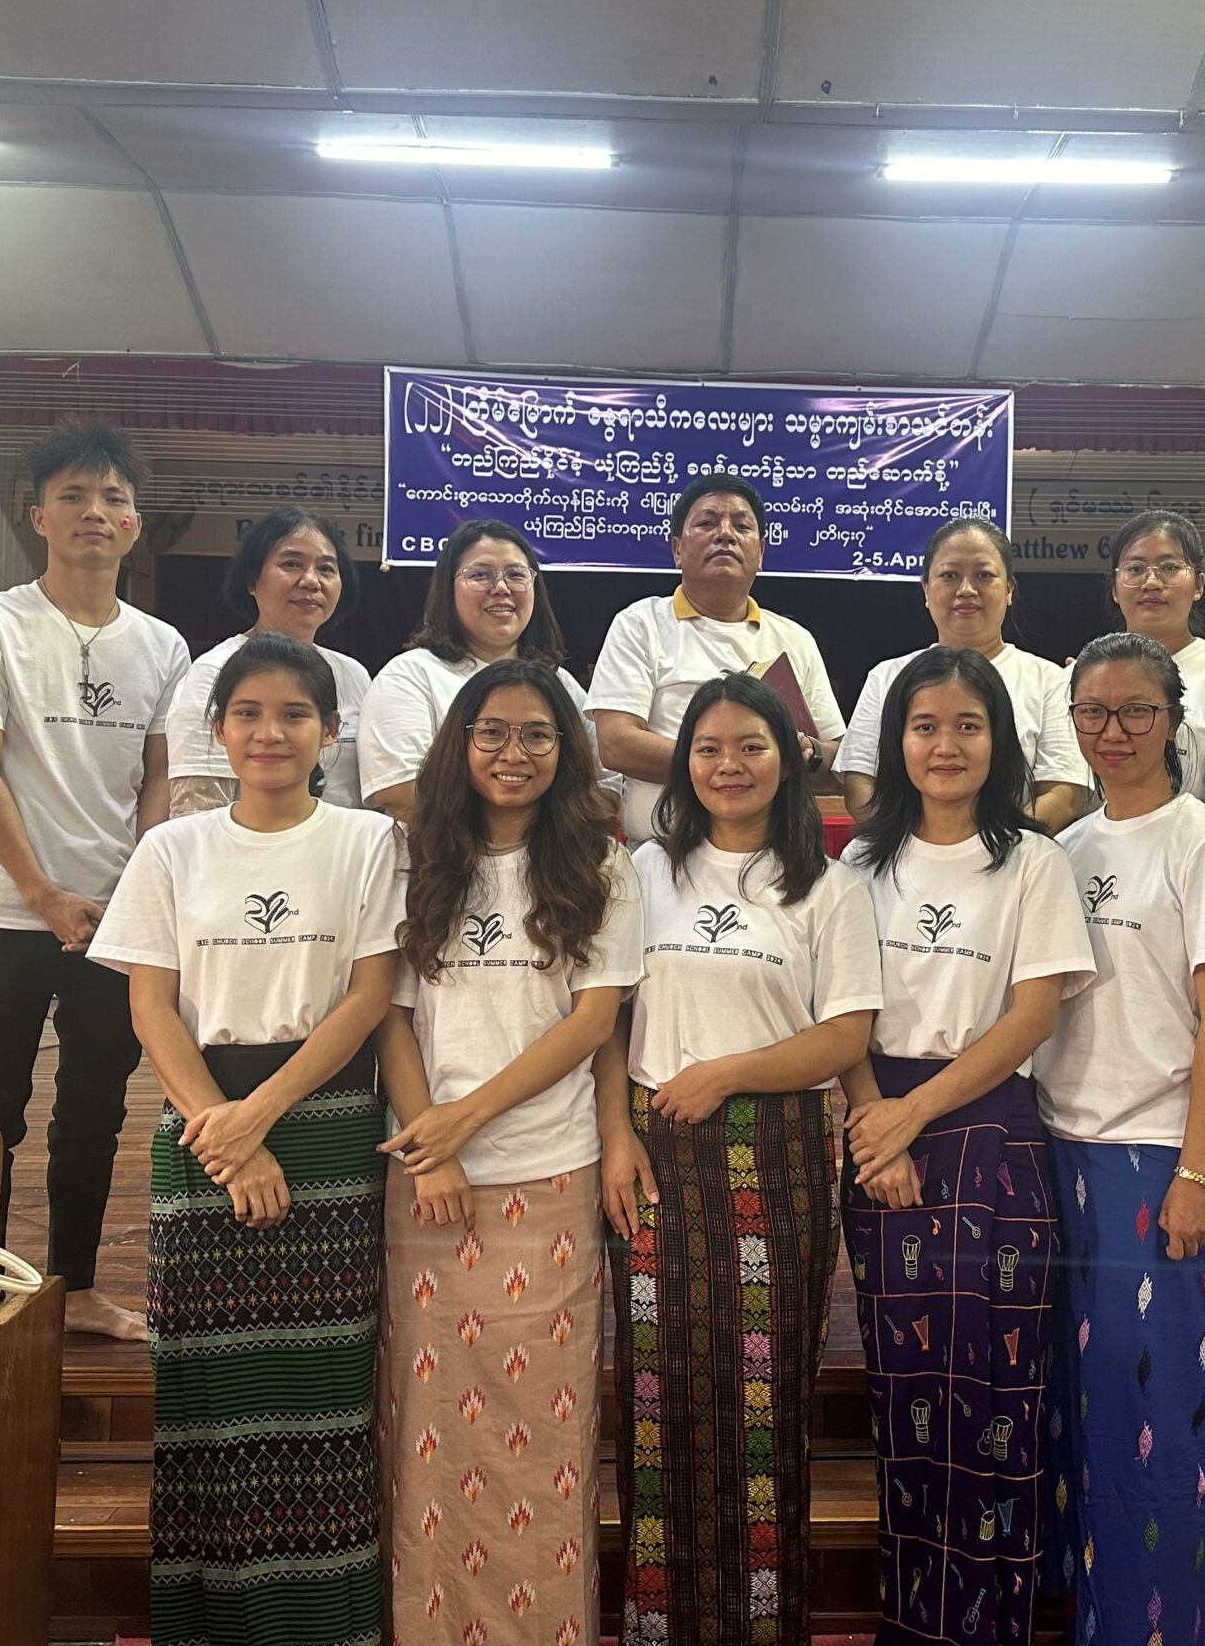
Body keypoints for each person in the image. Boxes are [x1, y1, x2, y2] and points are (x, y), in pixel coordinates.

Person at [89, 635, 402, 1646]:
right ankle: (210, 1620)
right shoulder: (171, 849)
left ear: (330, 732)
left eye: (295, 714)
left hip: (327, 1134)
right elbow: (151, 1006)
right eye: (249, 714)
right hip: (201, 1133)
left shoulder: (367, 841)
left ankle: (326, 1620)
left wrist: (258, 1118)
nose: (271, 733)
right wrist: (225, 1136)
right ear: (217, 731)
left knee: (323, 1395)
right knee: (207, 1395)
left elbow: (369, 998)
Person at [595, 671, 881, 1645]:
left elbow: (845, 1035)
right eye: (708, 748)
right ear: (684, 764)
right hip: (654, 1156)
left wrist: (724, 1074)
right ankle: (658, 1625)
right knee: (657, 1403)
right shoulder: (643, 871)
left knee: (765, 1407)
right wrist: (614, 1135)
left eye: (750, 746)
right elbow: (608, 1018)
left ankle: (761, 1625)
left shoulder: (829, 886)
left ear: (787, 761)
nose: (729, 764)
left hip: (779, 1158)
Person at [376, 656, 641, 1646]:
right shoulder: (413, 858)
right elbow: (389, 1016)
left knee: (543, 1437)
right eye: (492, 732)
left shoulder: (599, 865)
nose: (513, 752)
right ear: (460, 743)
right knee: (430, 1428)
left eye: (537, 734)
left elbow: (593, 1021)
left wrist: (468, 1119)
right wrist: (433, 1145)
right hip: (428, 1181)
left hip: (549, 1171)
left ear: (565, 749)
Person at [839, 644, 1097, 1646]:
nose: (944, 746)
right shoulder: (859, 866)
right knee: (906, 1394)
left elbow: (1033, 1015)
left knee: (999, 1391)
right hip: (880, 1136)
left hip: (994, 1131)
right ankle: (915, 1623)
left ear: (1001, 741)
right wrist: (879, 1128)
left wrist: (916, 1115)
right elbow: (839, 1014)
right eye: (924, 726)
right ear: (895, 741)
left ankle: (991, 1621)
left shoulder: (1033, 860)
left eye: (967, 726)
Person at [0, 422, 189, 1341]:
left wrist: (139, 889)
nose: (95, 512)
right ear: (37, 516)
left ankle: (74, 1290)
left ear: (134, 523)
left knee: (93, 1113)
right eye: (73, 496)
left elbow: (159, 779)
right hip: (2, 914)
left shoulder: (162, 645)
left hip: (115, 922)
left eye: (114, 498)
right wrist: (43, 894)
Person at [1036, 633, 1205, 1646]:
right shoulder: (1067, 848)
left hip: (1162, 1160)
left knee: (1157, 1423)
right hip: (1063, 1150)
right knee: (1082, 1419)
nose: (1113, 731)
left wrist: (1196, 1171)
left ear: (1173, 721)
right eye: (1093, 712)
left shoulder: (1204, 845)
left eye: (1136, 711)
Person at [587, 473, 845, 843]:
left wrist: (808, 753)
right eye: (707, 523)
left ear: (760, 553)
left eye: (741, 526)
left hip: (772, 851)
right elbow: (616, 744)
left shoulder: (794, 638)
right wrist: (734, 764)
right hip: (663, 851)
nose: (725, 534)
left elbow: (837, 758)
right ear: (677, 549)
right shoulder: (640, 623)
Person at [838, 517, 1091, 832]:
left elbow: (1063, 794)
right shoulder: (886, 677)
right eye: (949, 575)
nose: (967, 590)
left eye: (984, 575)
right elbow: (860, 783)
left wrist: (995, 847)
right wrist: (919, 847)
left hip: (1012, 854)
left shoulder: (1050, 681)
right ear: (926, 590)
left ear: (1009, 589)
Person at [355, 518, 600, 823]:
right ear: (448, 588)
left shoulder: (562, 684)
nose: (501, 588)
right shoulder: (410, 675)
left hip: (552, 851)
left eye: (516, 575)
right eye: (481, 575)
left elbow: (605, 785)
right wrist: (505, 839)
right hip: (441, 852)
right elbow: (399, 789)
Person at [162, 508, 370, 815]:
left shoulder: (354, 675)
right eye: (291, 564)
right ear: (251, 580)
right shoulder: (214, 672)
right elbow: (196, 812)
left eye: (326, 569)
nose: (311, 581)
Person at [1099, 508, 1205, 782]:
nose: (1151, 582)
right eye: (1135, 569)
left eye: (1170, 567)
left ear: (1198, 585)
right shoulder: (1081, 676)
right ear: (1115, 588)